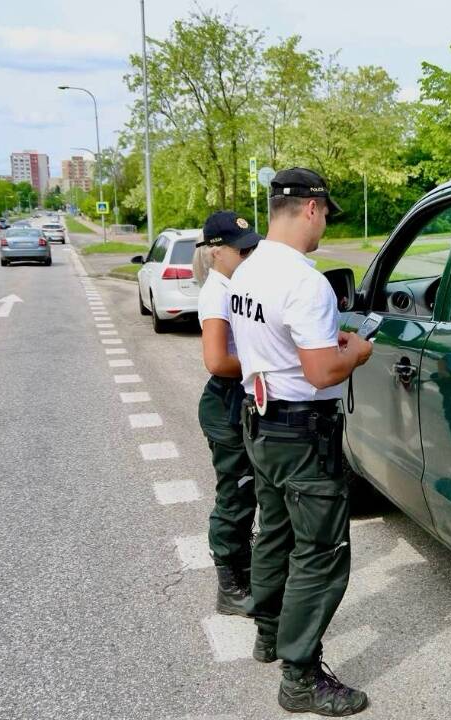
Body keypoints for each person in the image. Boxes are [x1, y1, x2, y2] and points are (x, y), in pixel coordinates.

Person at [228, 168, 374, 716]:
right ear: (311, 208)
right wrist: (355, 353)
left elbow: (277, 342)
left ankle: (268, 634)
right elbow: (320, 374)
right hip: (301, 433)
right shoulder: (305, 281)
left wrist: (321, 343)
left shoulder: (247, 271)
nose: (323, 229)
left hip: (261, 422)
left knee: (275, 534)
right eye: (325, 217)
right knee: (319, 553)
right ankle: (301, 676)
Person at [193, 210, 262, 617]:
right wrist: (264, 361)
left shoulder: (234, 284)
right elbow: (217, 360)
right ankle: (231, 587)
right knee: (235, 496)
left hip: (239, 400)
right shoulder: (216, 292)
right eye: (241, 250)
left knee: (248, 491)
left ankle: (246, 571)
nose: (247, 254)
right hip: (226, 403)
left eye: (250, 247)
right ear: (217, 251)